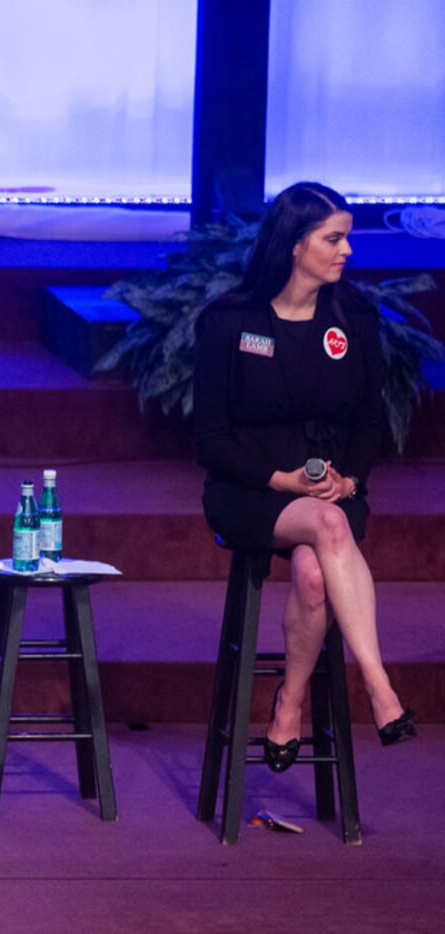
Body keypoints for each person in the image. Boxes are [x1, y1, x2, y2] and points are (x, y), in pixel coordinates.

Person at [194, 181, 415, 772]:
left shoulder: (356, 316)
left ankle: (289, 701)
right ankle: (378, 684)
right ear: (294, 244)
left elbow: (371, 419)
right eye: (334, 239)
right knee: (327, 526)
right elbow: (209, 436)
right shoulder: (229, 321)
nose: (347, 251)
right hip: (250, 487)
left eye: (346, 239)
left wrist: (350, 479)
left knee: (316, 571)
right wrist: (281, 480)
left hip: (333, 484)